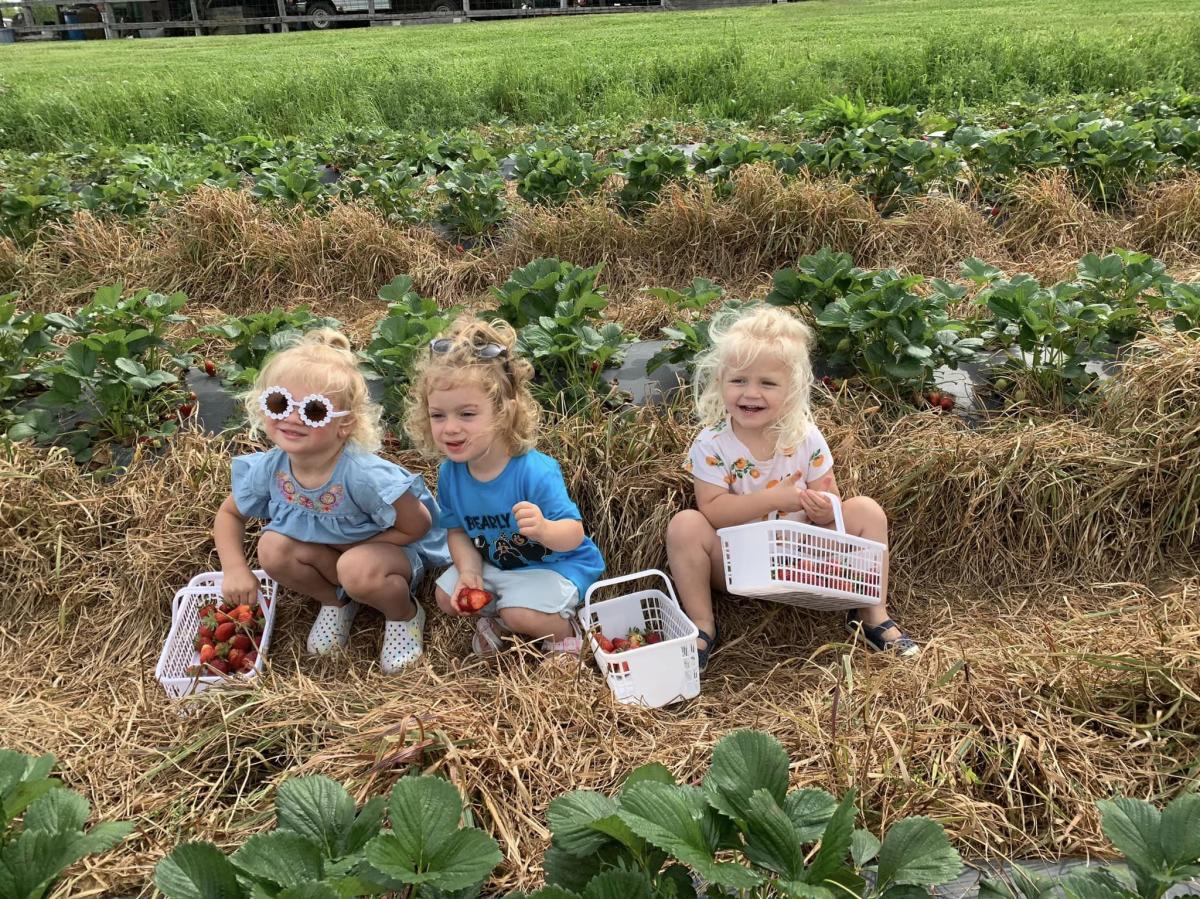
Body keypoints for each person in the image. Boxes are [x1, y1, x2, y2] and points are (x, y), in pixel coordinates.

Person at [666, 304, 918, 670]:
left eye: (767, 383)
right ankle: (702, 624)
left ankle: (871, 613)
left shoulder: (804, 436)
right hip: (739, 563)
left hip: (806, 558)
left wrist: (824, 508)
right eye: (739, 380)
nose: (751, 393)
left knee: (866, 511)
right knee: (685, 526)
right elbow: (713, 511)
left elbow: (830, 493)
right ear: (721, 382)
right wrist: (773, 498)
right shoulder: (712, 443)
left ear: (793, 390)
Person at [213, 329, 449, 674]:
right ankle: (336, 602)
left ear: (345, 425)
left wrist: (360, 545)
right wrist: (235, 569)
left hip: (384, 559)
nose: (292, 418)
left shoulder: (362, 475)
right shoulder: (271, 468)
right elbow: (229, 513)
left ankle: (403, 614)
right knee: (272, 547)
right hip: (328, 556)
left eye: (313, 410)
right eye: (279, 403)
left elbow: (418, 524)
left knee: (356, 569)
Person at [405, 316, 605, 661]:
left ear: (504, 412)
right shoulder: (451, 473)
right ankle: (500, 618)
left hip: (554, 567)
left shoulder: (534, 471)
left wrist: (543, 529)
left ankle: (564, 633)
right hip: (501, 566)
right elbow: (457, 532)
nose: (450, 428)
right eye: (438, 415)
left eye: (467, 414)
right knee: (445, 595)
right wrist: (468, 571)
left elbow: (573, 534)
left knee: (518, 613)